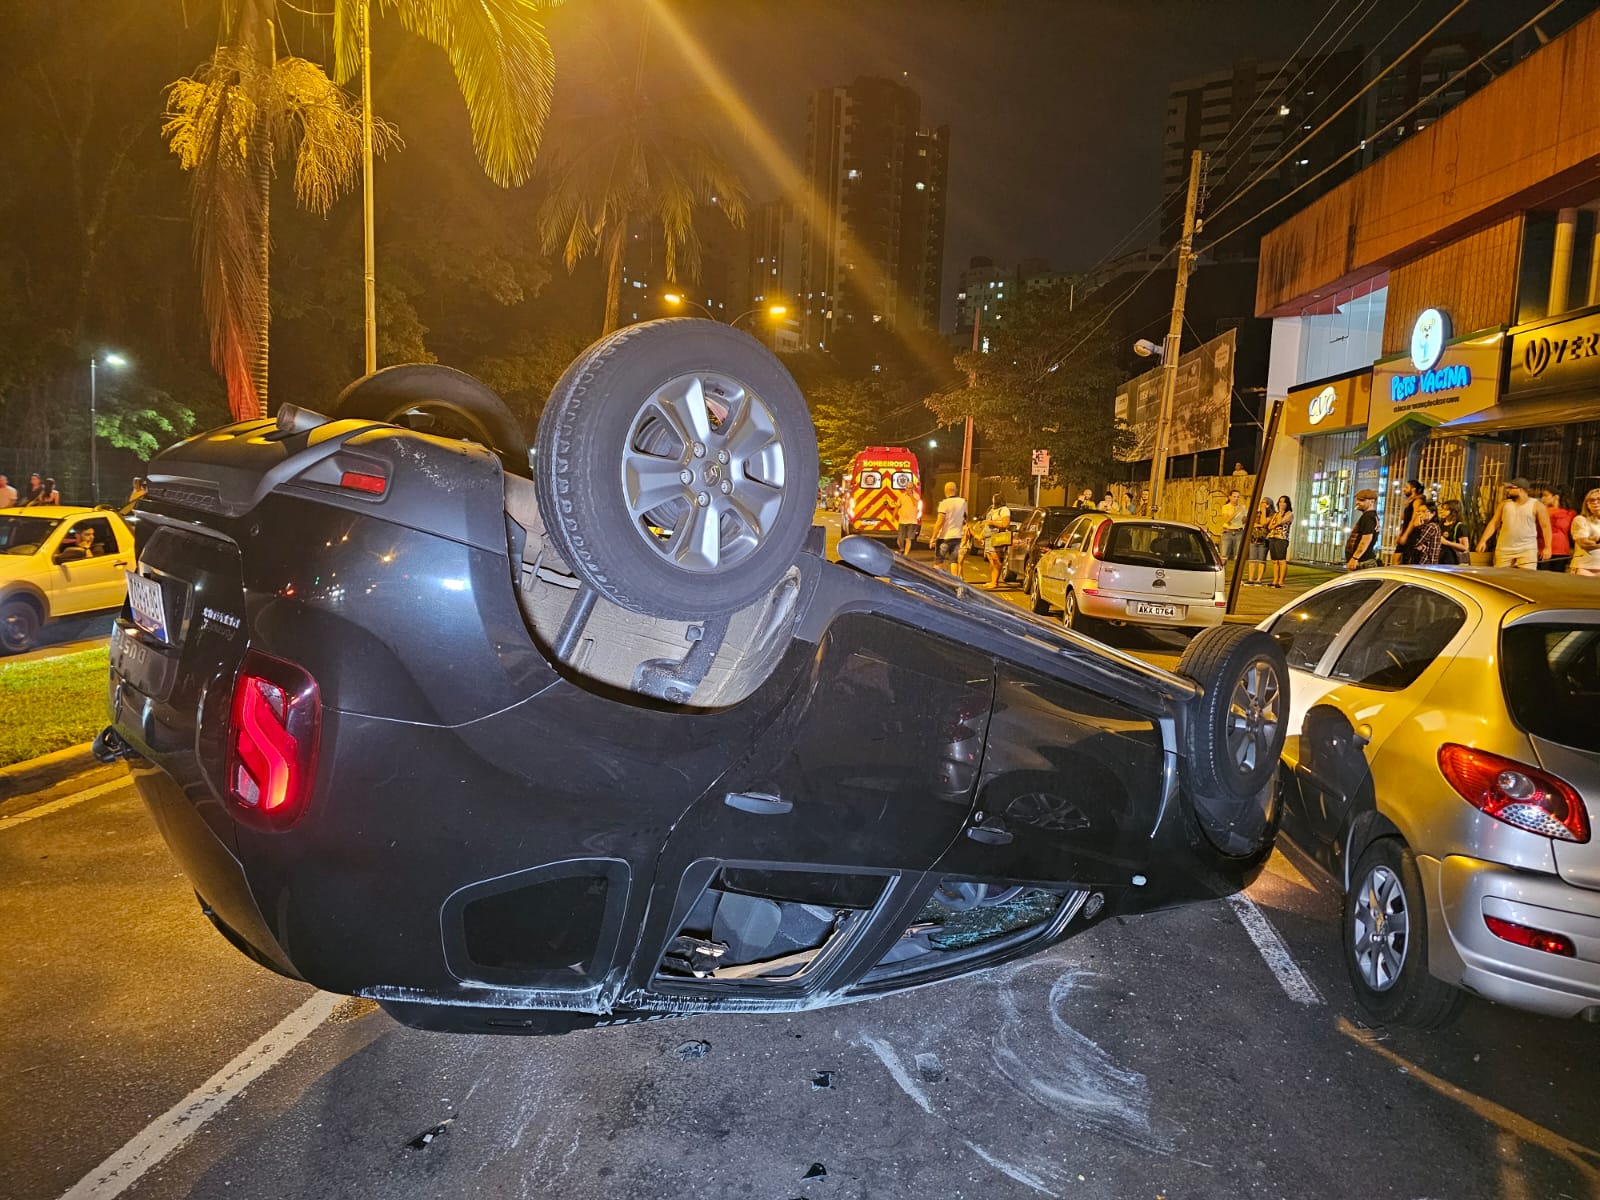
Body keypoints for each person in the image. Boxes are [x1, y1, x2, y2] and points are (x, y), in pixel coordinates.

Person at [1477, 477, 1551, 569]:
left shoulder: (1537, 505)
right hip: (1504, 548)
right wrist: (1483, 540)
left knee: (1526, 577)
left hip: (1527, 548)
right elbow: (1494, 523)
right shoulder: (1504, 504)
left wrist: (1548, 547)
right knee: (1501, 576)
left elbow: (1545, 527)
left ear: (1520, 489)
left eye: (1511, 488)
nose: (1508, 490)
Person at [928, 482, 967, 575]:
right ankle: (955, 582)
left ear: (945, 491)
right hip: (957, 536)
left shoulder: (943, 504)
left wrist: (933, 537)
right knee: (954, 561)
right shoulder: (963, 502)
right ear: (956, 490)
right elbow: (965, 518)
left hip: (944, 537)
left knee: (939, 560)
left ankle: (937, 581)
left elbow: (940, 522)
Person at [979, 494, 1012, 589]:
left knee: (996, 559)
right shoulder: (992, 510)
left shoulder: (1004, 510)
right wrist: (982, 536)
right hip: (988, 537)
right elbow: (986, 524)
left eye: (993, 499)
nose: (992, 500)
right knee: (991, 560)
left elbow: (1005, 524)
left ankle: (995, 582)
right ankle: (992, 581)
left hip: (996, 538)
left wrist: (992, 522)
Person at [1540, 485, 1574, 572]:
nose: (1543, 498)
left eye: (1545, 495)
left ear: (1555, 497)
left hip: (1561, 550)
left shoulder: (1569, 513)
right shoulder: (1541, 511)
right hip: (1543, 548)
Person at [1344, 489, 1380, 571]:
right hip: (1363, 561)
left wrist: (1355, 558)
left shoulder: (1368, 517)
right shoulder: (1370, 516)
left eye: (1362, 500)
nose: (1357, 502)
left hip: (1363, 562)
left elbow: (1366, 539)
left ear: (1372, 502)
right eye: (1357, 499)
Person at [1392, 479, 1423, 564]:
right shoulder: (1410, 501)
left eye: (1406, 487)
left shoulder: (1418, 501)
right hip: (1406, 532)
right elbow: (1405, 520)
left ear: (1413, 489)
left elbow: (1413, 519)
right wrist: (1401, 533)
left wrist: (1406, 535)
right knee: (1396, 559)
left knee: (1401, 559)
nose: (1403, 489)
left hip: (1412, 535)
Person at [1571, 487, 1600, 576]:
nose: (1595, 502)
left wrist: (1594, 539)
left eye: (1599, 499)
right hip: (1584, 567)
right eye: (1591, 500)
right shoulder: (1580, 520)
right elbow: (1584, 543)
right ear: (1587, 504)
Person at [1266, 495, 1293, 588]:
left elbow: (1281, 521)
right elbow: (1269, 526)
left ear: (1287, 503)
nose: (1281, 504)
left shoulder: (1289, 513)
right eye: (1280, 502)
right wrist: (1276, 518)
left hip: (1282, 538)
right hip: (1273, 537)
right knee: (1275, 561)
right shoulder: (1275, 514)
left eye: (1284, 502)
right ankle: (1275, 580)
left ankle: (1281, 581)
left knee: (1281, 560)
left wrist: (1279, 516)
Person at [1245, 499, 1272, 585]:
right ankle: (1251, 578)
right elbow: (1249, 523)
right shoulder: (1256, 513)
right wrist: (1258, 524)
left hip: (1263, 540)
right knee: (1252, 560)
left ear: (1269, 505)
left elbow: (1264, 523)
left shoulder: (1271, 514)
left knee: (1261, 560)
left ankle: (1259, 579)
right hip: (1253, 539)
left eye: (1264, 503)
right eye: (1261, 503)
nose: (1262, 505)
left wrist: (1263, 512)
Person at [1410, 495, 1442, 565]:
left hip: (1427, 563)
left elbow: (1415, 543)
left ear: (1433, 513)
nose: (1420, 514)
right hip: (1424, 563)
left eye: (1424, 511)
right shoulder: (1425, 526)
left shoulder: (1432, 526)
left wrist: (1415, 527)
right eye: (1418, 511)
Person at [1219, 489, 1246, 570]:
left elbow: (1244, 520)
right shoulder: (1225, 507)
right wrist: (1237, 511)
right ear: (1230, 497)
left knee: (1238, 556)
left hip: (1239, 532)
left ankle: (1237, 578)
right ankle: (1222, 575)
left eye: (1238, 497)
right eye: (1234, 496)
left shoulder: (1242, 507)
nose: (1236, 498)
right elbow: (1227, 520)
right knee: (1224, 556)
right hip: (1227, 532)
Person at [1437, 498, 1470, 566]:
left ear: (1454, 511)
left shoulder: (1460, 526)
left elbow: (1465, 547)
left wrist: (1446, 542)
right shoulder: (1440, 524)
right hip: (1440, 559)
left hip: (1453, 561)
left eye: (1446, 509)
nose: (1442, 511)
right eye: (1442, 509)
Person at [894, 487, 921, 555]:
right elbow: (897, 506)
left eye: (910, 488)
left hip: (912, 521)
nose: (909, 489)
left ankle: (905, 555)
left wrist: (911, 496)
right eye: (908, 488)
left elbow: (916, 504)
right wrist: (893, 515)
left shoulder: (916, 496)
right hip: (902, 521)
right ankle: (902, 548)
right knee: (899, 539)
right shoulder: (902, 496)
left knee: (908, 539)